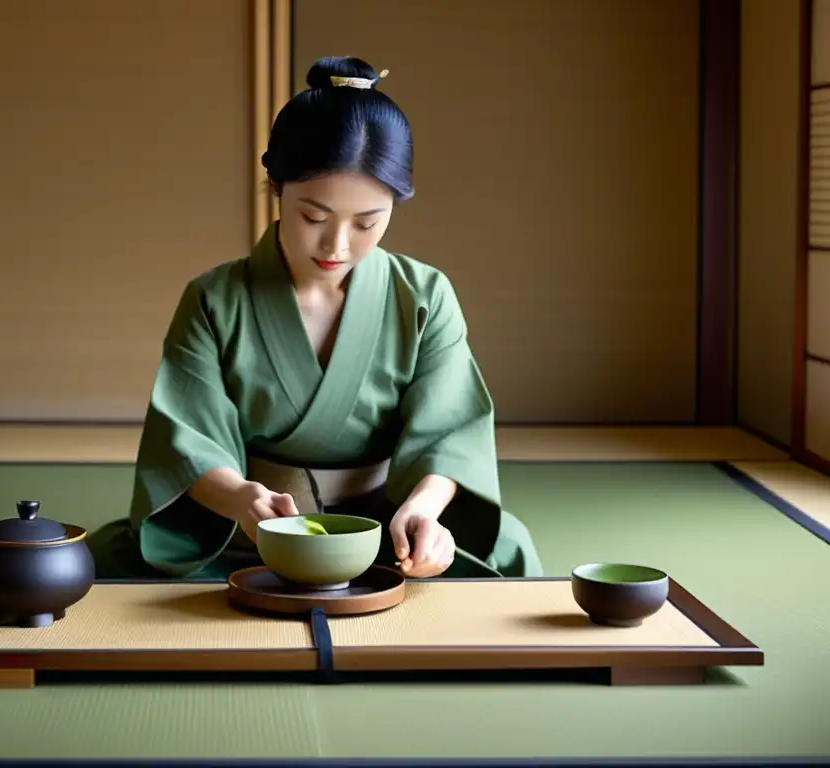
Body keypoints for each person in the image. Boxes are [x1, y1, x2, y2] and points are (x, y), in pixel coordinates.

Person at [89, 56, 543, 582]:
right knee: (105, 570)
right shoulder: (215, 299)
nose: (338, 245)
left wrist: (425, 512)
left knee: (509, 554)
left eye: (368, 221)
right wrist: (240, 499)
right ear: (276, 188)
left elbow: (452, 433)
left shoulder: (424, 296)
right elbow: (187, 440)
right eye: (313, 216)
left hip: (388, 533)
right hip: (248, 533)